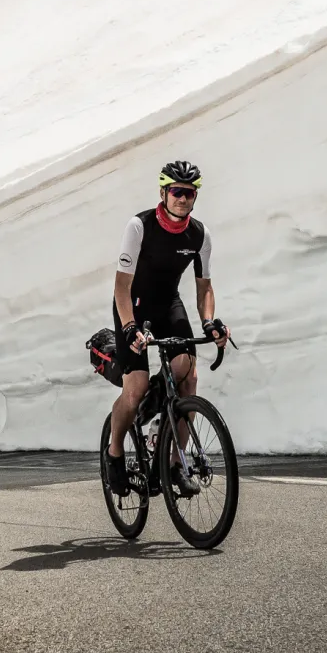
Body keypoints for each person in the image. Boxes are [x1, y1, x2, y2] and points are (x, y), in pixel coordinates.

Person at [104, 160, 231, 498]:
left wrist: (209, 323)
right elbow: (121, 287)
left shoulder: (199, 235)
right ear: (163, 192)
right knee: (134, 390)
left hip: (167, 304)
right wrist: (130, 328)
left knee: (188, 376)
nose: (183, 198)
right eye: (177, 192)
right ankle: (115, 451)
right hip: (133, 305)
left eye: (190, 193)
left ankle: (175, 462)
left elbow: (204, 287)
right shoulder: (139, 226)